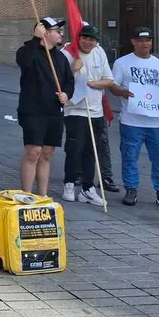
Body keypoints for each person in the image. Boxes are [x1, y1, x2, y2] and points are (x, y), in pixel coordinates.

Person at [109, 27, 159, 207]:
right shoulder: (122, 63)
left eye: (147, 40)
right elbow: (112, 87)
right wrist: (122, 91)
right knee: (130, 155)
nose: (144, 43)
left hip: (157, 121)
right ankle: (131, 189)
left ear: (151, 42)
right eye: (140, 40)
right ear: (133, 42)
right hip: (132, 120)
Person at [16, 17, 75, 196]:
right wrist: (35, 40)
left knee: (47, 152)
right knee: (33, 151)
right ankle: (26, 195)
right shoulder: (28, 50)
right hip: (33, 110)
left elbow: (69, 82)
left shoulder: (61, 57)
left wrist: (66, 94)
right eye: (57, 30)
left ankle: (42, 195)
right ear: (45, 33)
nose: (61, 34)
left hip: (54, 111)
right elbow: (24, 62)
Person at [60, 25, 114, 207]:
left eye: (92, 39)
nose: (88, 42)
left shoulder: (99, 52)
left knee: (92, 150)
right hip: (74, 108)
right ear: (78, 38)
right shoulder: (67, 53)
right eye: (84, 38)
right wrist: (73, 70)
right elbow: (58, 80)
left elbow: (108, 80)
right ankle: (69, 183)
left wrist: (94, 84)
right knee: (74, 147)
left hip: (95, 110)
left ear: (96, 41)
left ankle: (87, 188)